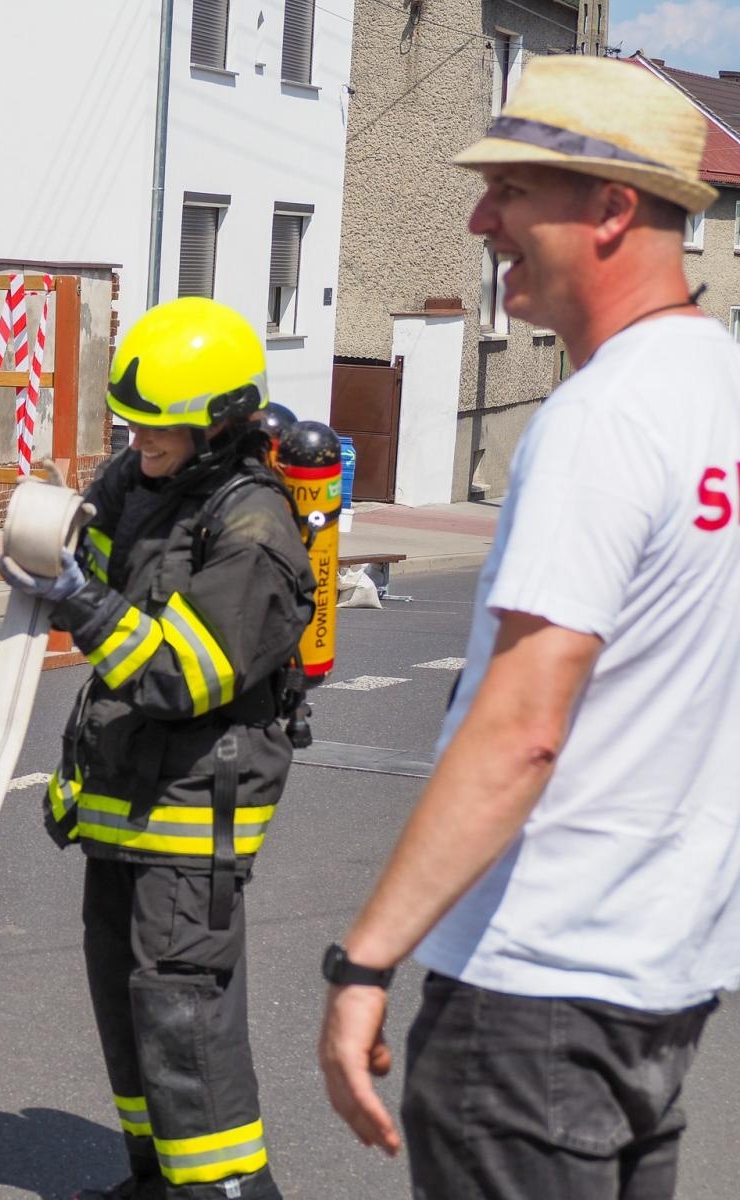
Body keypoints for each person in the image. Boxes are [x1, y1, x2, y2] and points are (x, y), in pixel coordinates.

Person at [317, 56, 740, 1200]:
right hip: (661, 983)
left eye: (511, 188)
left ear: (612, 209)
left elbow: (518, 731)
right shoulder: (720, 391)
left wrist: (364, 961)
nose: (478, 217)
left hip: (531, 995)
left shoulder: (602, 418)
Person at [0, 297, 316, 1200]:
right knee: (126, 1001)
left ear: (216, 426)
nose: (141, 441)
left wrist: (81, 604)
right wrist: (47, 554)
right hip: (126, 794)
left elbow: (188, 672)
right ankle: (158, 1177)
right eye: (134, 425)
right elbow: (88, 548)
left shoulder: (253, 528)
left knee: (182, 1009)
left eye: (160, 429)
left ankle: (221, 1189)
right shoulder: (143, 484)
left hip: (193, 803)